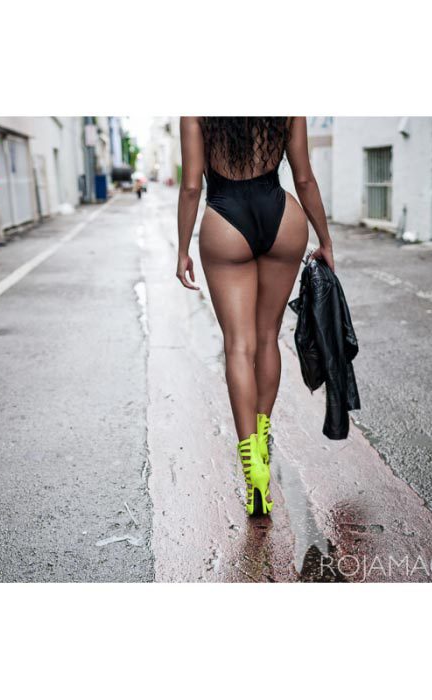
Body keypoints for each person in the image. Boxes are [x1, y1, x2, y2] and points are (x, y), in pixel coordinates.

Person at [176, 117, 334, 517]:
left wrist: (182, 250)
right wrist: (325, 239)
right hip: (282, 217)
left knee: (238, 347)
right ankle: (262, 435)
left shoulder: (196, 111)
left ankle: (253, 469)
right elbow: (304, 179)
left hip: (225, 219)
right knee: (267, 338)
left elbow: (192, 186)